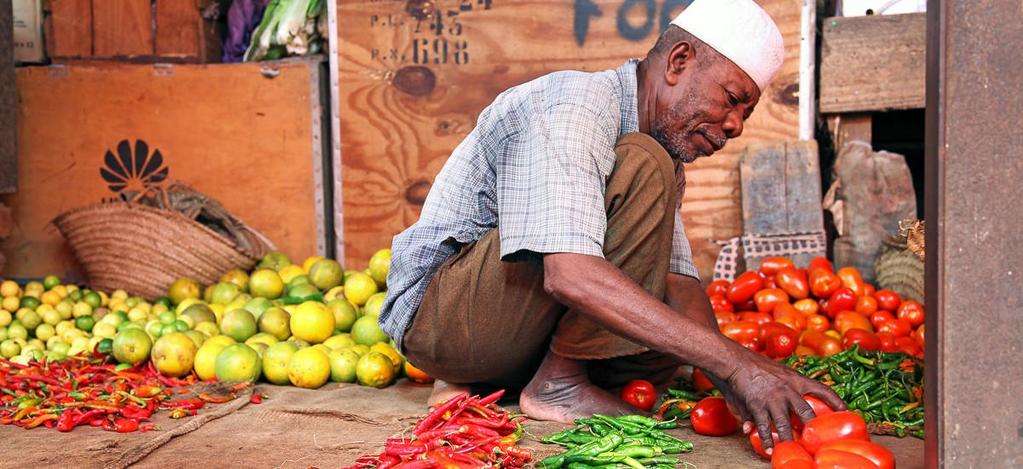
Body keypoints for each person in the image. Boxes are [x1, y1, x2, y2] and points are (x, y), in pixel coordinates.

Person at [380, 0, 845, 453]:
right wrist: (738, 363)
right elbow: (570, 273)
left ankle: (501, 380)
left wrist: (732, 379)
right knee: (645, 167)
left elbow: (677, 282)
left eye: (745, 114)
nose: (736, 125)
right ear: (679, 61)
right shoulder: (573, 106)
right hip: (441, 318)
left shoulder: (660, 148)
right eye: (732, 100)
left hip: (513, 331)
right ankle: (554, 384)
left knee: (670, 353)